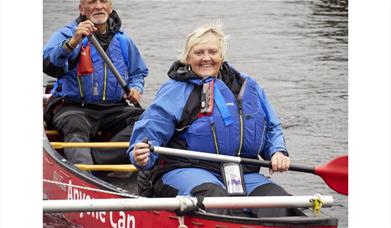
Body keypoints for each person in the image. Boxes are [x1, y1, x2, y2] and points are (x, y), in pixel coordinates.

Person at [128, 23, 298, 217]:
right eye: (199, 52)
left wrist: (278, 151)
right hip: (187, 170)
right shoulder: (175, 91)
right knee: (216, 199)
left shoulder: (247, 86)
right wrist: (141, 155)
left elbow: (271, 127)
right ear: (187, 57)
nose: (206, 58)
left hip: (242, 173)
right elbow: (147, 136)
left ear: (221, 56)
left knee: (280, 202)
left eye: (212, 52)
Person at [43, 0, 148, 166]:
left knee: (148, 121)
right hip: (74, 106)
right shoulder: (66, 34)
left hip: (113, 107)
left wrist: (136, 87)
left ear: (110, 7)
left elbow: (138, 72)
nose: (99, 6)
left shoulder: (123, 40)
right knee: (75, 125)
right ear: (82, 9)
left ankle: (97, 162)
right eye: (92, 2)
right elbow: (48, 64)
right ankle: (84, 172)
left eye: (103, 1)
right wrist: (72, 43)